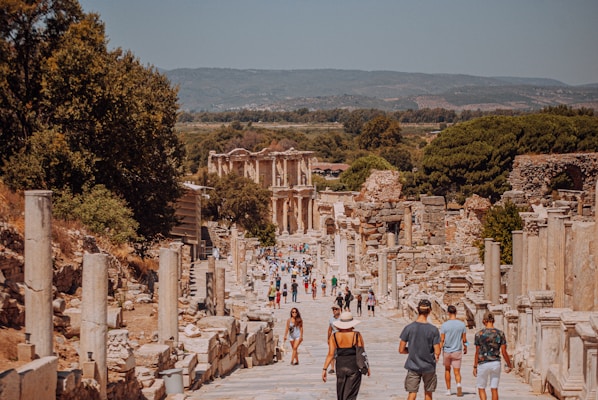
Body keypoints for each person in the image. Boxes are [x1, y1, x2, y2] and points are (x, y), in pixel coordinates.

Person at [399, 299, 441, 400]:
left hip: (413, 366)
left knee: (412, 394)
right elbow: (437, 351)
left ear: (417, 309)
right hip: (429, 366)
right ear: (430, 311)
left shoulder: (408, 328)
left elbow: (401, 349)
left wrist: (412, 349)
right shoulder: (433, 330)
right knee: (428, 394)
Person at [322, 311, 370, 400]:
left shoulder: (334, 336)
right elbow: (362, 352)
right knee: (350, 394)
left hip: (340, 366)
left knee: (341, 393)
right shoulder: (356, 335)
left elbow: (330, 354)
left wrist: (324, 369)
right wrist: (367, 367)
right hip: (353, 366)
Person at [473, 311, 512, 400]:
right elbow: (504, 351)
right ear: (493, 320)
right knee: (494, 388)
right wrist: (509, 364)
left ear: (484, 321)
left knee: (481, 387)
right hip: (495, 363)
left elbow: (477, 352)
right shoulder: (500, 333)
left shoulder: (479, 334)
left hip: (483, 363)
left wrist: (475, 366)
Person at [440, 305, 468, 397]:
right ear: (456, 312)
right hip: (457, 351)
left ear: (448, 313)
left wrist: (439, 351)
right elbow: (464, 340)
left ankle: (448, 390)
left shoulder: (444, 325)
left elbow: (442, 340)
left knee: (447, 370)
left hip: (447, 351)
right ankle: (458, 384)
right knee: (457, 371)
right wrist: (466, 347)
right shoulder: (462, 325)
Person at [327, 302, 342, 374]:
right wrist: (328, 338)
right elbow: (329, 329)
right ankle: (332, 368)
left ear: (339, 310)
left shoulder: (342, 318)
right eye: (333, 309)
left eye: (335, 309)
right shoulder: (331, 319)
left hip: (341, 338)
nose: (334, 311)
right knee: (332, 353)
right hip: (334, 338)